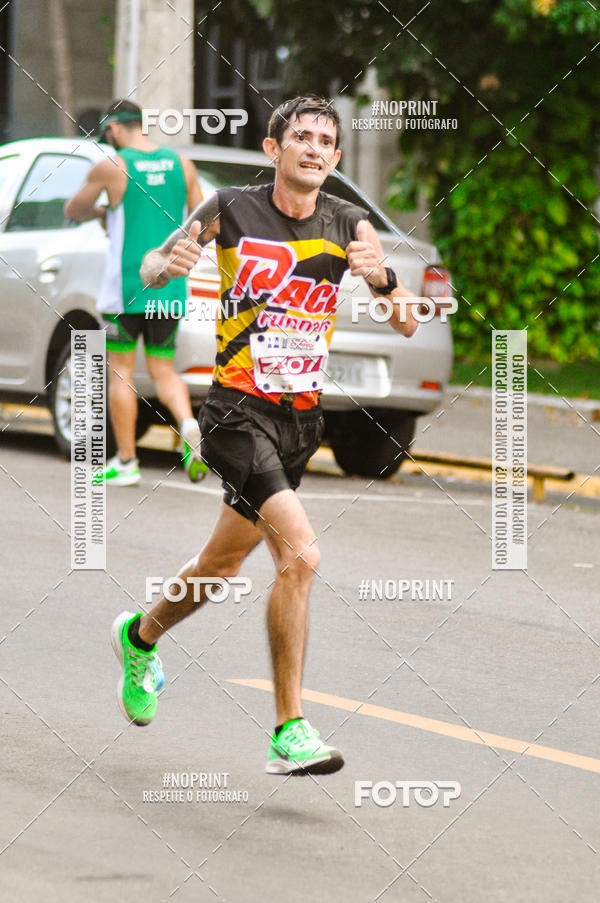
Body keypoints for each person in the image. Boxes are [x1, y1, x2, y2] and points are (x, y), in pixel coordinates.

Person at [110, 95, 418, 774]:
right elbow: (151, 269)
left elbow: (406, 322)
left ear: (335, 157)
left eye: (325, 140)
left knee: (220, 566)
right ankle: (289, 729)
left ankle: (140, 635)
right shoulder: (229, 207)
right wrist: (169, 266)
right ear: (274, 150)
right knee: (300, 557)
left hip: (299, 421)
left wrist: (385, 279)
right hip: (235, 411)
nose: (313, 147)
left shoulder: (348, 222)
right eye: (300, 136)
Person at [65, 99, 208, 485]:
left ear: (112, 129)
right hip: (170, 285)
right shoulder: (183, 165)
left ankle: (127, 462)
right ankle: (188, 423)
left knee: (121, 373)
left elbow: (73, 209)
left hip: (125, 289)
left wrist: (102, 210)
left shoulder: (113, 166)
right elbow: (203, 222)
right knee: (163, 369)